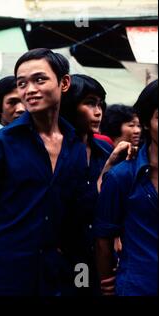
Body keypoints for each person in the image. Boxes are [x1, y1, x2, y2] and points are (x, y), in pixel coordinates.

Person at [0, 48, 88, 296]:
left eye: (39, 79)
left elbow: (76, 212)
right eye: (22, 83)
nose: (29, 90)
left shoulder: (75, 145)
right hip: (5, 271)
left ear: (64, 83)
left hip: (54, 274)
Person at [59, 74, 134, 295]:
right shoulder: (55, 154)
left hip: (100, 255)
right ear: (70, 105)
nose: (98, 111)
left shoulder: (104, 150)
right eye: (90, 103)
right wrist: (108, 171)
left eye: (100, 104)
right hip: (66, 256)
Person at [95, 80, 158, 296]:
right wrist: (107, 282)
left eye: (98, 105)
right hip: (138, 286)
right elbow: (103, 240)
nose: (96, 113)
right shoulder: (121, 175)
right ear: (148, 122)